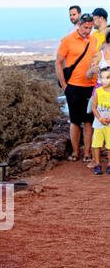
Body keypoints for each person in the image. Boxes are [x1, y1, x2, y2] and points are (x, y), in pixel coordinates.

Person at [56, 13, 97, 162]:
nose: (88, 31)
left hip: (91, 87)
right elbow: (58, 62)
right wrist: (64, 85)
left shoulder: (94, 40)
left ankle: (87, 153)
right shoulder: (68, 40)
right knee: (74, 121)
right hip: (73, 87)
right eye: (86, 27)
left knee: (88, 121)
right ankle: (75, 152)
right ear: (79, 25)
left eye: (90, 28)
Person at [91, 66, 110, 174]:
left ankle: (109, 164)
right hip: (99, 123)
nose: (104, 80)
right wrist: (100, 118)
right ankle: (97, 164)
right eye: (102, 78)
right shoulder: (98, 91)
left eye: (108, 77)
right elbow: (94, 107)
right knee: (97, 144)